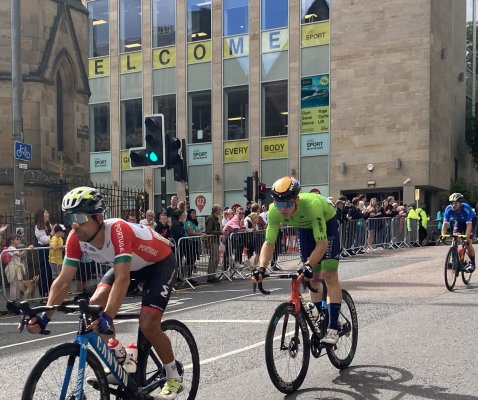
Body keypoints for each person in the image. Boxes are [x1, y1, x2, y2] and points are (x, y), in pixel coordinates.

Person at [27, 186, 183, 399]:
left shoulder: (117, 230)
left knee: (148, 323)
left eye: (80, 217)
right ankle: (123, 359)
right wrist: (45, 315)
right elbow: (63, 280)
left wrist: (108, 316)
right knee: (93, 307)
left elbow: (122, 279)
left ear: (98, 217)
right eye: (70, 216)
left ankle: (174, 375)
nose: (74, 223)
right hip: (129, 266)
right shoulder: (75, 238)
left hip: (159, 263)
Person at [253, 176, 342, 345]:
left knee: (329, 274)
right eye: (279, 204)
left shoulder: (312, 206)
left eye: (287, 204)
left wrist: (308, 263)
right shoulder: (273, 211)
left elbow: (322, 243)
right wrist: (261, 268)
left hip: (326, 222)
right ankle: (319, 315)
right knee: (311, 277)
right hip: (304, 228)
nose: (283, 209)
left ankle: (333, 328)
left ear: (296, 200)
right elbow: (269, 242)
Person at [441, 193, 477, 272]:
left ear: (460, 203)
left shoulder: (466, 208)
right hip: (459, 222)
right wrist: (443, 235)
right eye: (452, 203)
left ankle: (472, 263)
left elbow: (469, 225)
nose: (453, 205)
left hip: (471, 222)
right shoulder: (448, 209)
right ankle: (455, 261)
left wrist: (466, 238)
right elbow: (445, 224)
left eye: (455, 203)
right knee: (455, 237)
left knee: (468, 242)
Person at [34, 208, 54, 299]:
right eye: (46, 212)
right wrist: (52, 233)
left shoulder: (48, 224)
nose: (48, 214)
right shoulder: (38, 227)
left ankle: (50, 293)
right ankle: (43, 294)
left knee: (50, 272)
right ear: (42, 215)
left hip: (50, 251)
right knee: (44, 272)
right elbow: (45, 240)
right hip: (43, 251)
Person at [4, 234, 32, 300]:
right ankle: (13, 301)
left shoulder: (13, 248)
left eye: (19, 239)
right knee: (13, 285)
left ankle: (16, 299)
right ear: (12, 241)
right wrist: (28, 248)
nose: (19, 240)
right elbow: (19, 255)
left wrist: (26, 250)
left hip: (15, 267)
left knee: (17, 285)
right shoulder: (11, 248)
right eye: (17, 239)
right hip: (12, 267)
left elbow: (20, 256)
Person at [205, 204, 223, 281]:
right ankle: (210, 276)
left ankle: (213, 275)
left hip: (215, 240)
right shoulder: (211, 218)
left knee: (216, 259)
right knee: (213, 258)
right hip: (212, 241)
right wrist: (220, 232)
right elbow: (209, 231)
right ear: (215, 210)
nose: (220, 210)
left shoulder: (214, 218)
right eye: (219, 209)